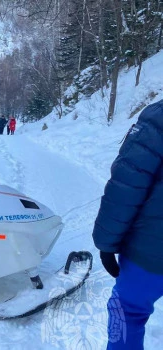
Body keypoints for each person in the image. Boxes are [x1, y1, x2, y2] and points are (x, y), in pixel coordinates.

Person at [92, 99, 163, 349]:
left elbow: (126, 185)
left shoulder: (158, 119)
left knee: (128, 313)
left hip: (152, 253)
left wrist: (106, 242)